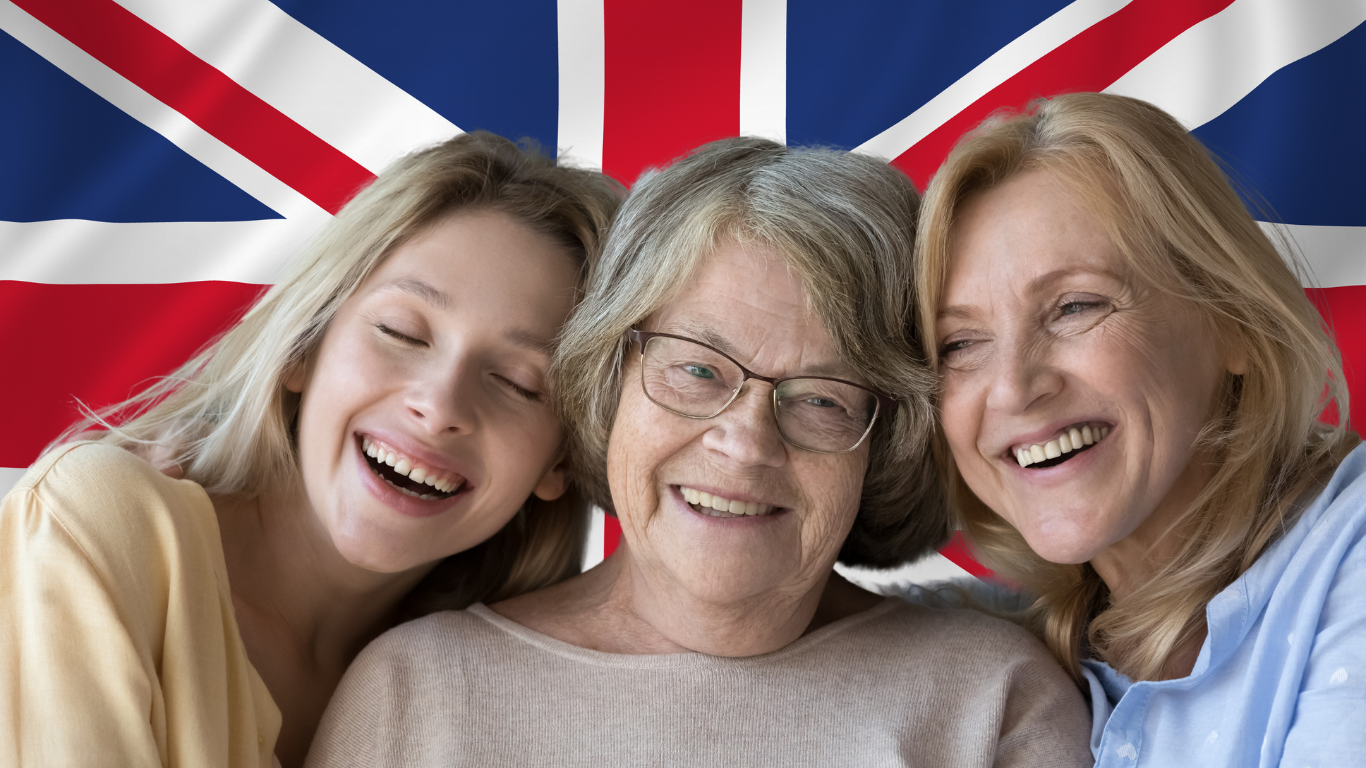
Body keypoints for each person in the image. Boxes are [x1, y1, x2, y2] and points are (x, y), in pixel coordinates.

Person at [306, 137, 1092, 767]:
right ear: (609, 381)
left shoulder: (992, 701)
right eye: (694, 369)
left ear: (885, 442)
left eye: (821, 399)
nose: (745, 443)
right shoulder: (417, 689)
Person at [0, 131, 621, 768]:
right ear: (303, 345)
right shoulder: (97, 519)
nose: (439, 408)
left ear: (561, 462)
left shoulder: (495, 695)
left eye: (519, 384)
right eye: (400, 332)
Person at [917, 92, 1366, 766]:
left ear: (1233, 322)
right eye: (960, 344)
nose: (1013, 387)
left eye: (1074, 306)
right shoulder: (1005, 652)